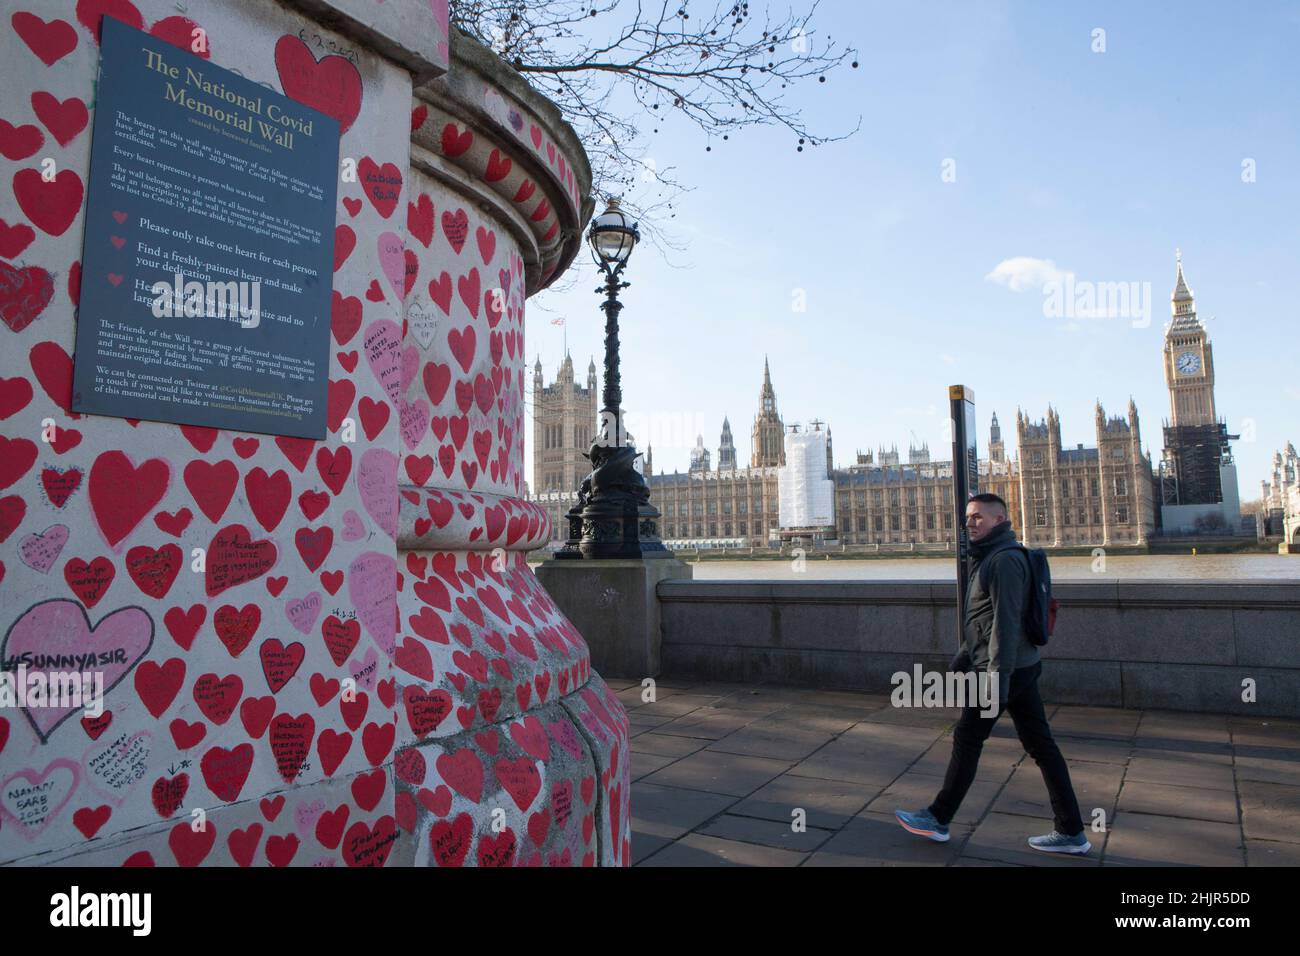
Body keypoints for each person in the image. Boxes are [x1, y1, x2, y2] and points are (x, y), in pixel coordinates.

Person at [895, 493, 1090, 854]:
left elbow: (1006, 623)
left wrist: (995, 679)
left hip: (1004, 670)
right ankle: (1072, 830)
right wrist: (965, 654)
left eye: (978, 517)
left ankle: (938, 818)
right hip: (1018, 668)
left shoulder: (1002, 562)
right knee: (1042, 748)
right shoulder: (994, 557)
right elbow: (984, 619)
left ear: (1000, 519)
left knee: (968, 740)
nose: (970, 523)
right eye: (968, 518)